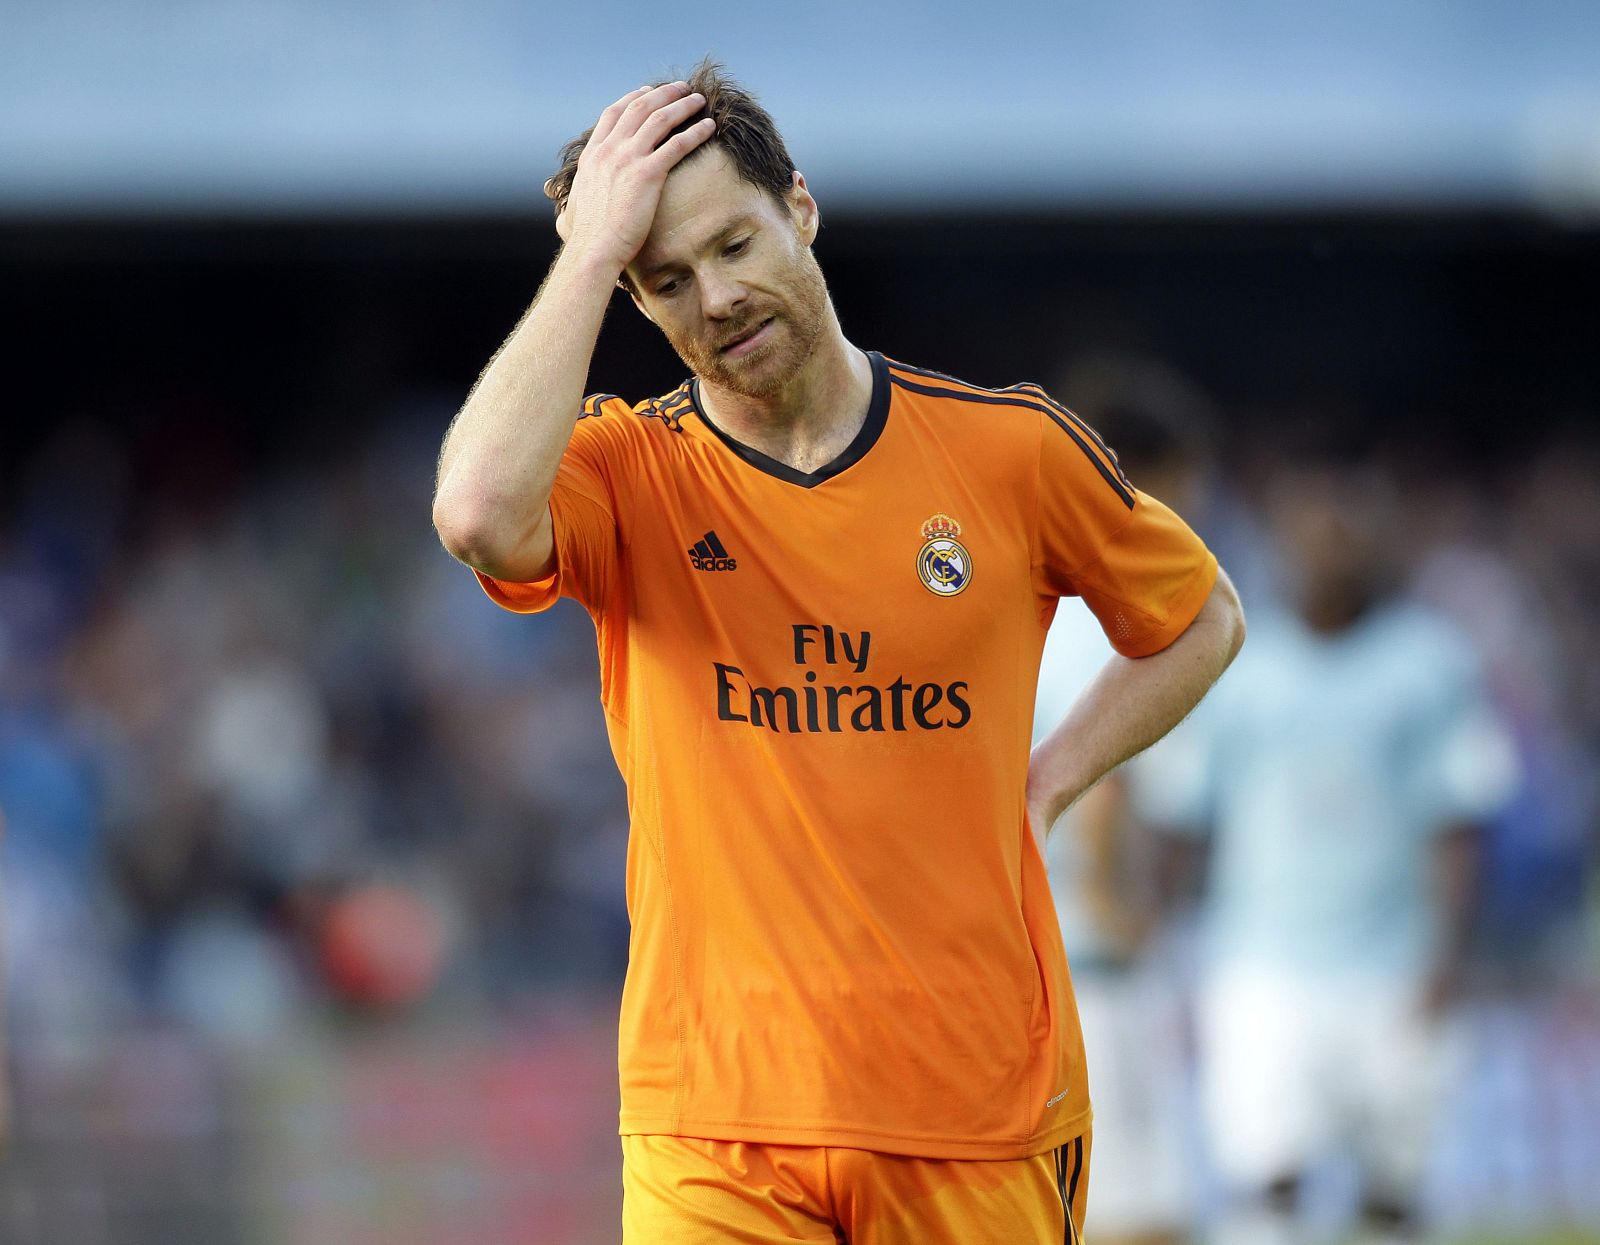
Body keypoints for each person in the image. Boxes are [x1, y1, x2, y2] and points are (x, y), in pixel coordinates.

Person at [431, 61, 1245, 1244]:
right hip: (713, 1116)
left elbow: (1201, 617)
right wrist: (588, 251)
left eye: (734, 246)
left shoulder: (1010, 453)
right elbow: (475, 516)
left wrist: (1051, 777)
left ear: (800, 208)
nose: (713, 297)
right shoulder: (629, 474)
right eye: (663, 281)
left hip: (973, 1101)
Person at [1151, 451, 1518, 1245]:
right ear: (1282, 542)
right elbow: (1184, 816)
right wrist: (1169, 950)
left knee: (1393, 1193)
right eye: (1312, 530)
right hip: (1261, 965)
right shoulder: (1232, 658)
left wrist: (1447, 958)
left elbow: (1458, 818)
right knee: (1264, 1181)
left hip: (1395, 968)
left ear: (1378, 541)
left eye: (1347, 530)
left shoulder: (1430, 661)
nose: (1330, 546)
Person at [1031, 359, 1236, 1245]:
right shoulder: (1111, 618)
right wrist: (1131, 926)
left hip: (1050, 950)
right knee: (1140, 1213)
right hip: (1096, 961)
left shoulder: (1045, 608)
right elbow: (1109, 790)